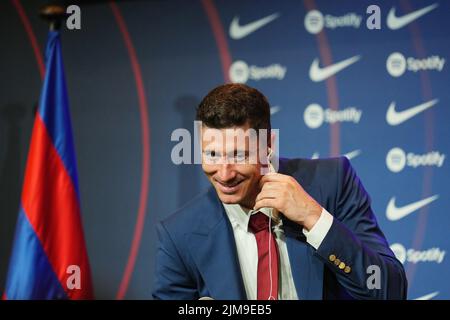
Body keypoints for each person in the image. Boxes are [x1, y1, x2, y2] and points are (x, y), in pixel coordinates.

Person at [153, 83, 407, 300]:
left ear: (268, 145)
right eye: (212, 154)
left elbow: (389, 290)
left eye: (239, 155)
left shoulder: (332, 182)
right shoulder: (179, 234)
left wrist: (315, 218)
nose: (225, 173)